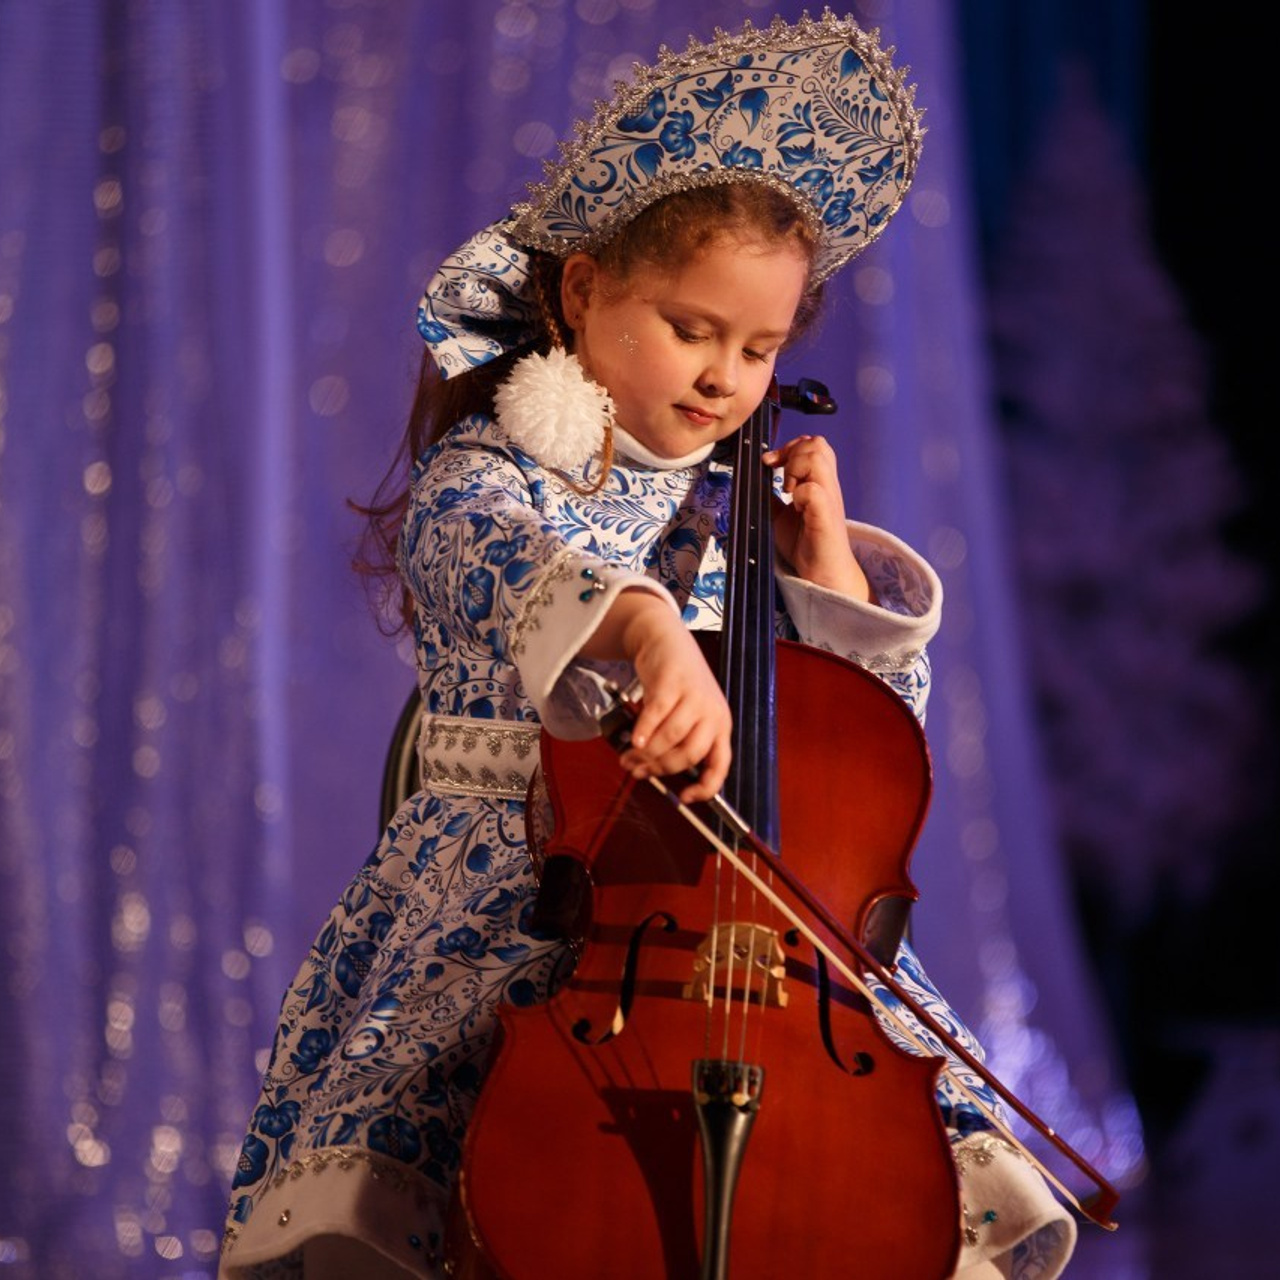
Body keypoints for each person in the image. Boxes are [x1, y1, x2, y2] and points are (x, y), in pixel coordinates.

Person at [219, 13, 1078, 1279]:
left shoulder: (737, 506)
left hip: (724, 925)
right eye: (692, 329)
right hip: (511, 898)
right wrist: (642, 627)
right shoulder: (498, 466)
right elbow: (479, 554)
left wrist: (821, 565)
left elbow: (863, 748)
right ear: (582, 291)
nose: (727, 377)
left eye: (761, 348)